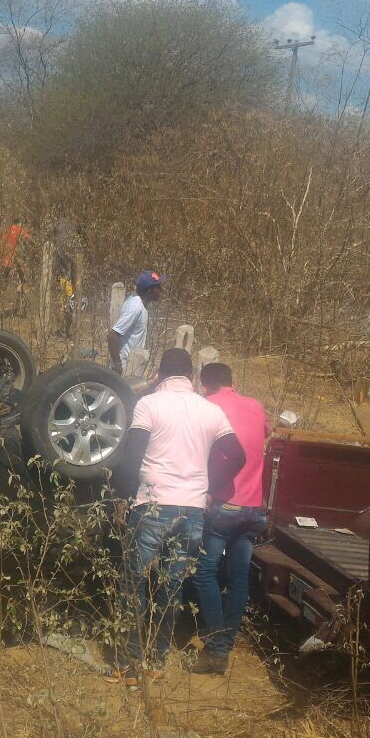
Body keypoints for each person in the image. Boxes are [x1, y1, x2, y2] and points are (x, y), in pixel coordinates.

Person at [111, 348, 245, 684]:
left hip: (152, 504)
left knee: (134, 582)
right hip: (193, 511)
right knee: (170, 587)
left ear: (160, 372)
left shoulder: (150, 404)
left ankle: (129, 665)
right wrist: (210, 485)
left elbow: (132, 455)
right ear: (191, 374)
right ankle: (156, 662)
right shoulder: (210, 410)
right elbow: (238, 455)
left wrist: (121, 497)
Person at [190, 362, 270, 675]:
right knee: (238, 579)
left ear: (204, 385)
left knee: (204, 573)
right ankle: (226, 641)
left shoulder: (207, 406)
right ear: (233, 381)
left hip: (224, 506)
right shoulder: (255, 405)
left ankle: (217, 649)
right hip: (254, 509)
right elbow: (267, 431)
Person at [108, 270, 161, 376]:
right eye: (158, 287)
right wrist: (118, 366)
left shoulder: (139, 303)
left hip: (132, 365)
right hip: (125, 368)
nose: (161, 290)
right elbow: (112, 336)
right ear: (149, 290)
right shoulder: (136, 307)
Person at [0, 217, 31, 317]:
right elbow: (29, 240)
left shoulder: (7, 230)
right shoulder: (18, 229)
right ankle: (23, 310)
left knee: (1, 285)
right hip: (10, 260)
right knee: (23, 283)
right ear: (20, 224)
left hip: (0, 261)